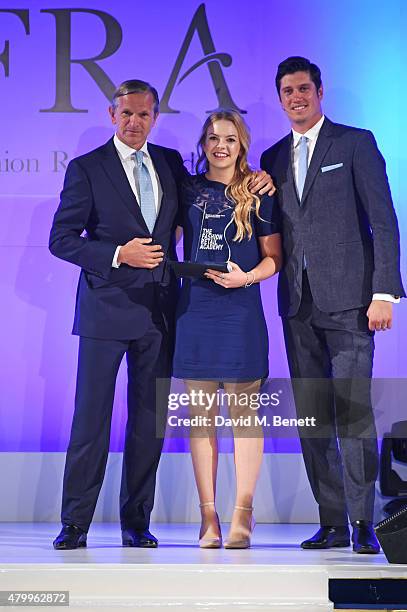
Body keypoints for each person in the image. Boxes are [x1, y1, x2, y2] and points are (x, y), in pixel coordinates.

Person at [50, 81, 274, 550]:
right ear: (113, 114)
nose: (135, 122)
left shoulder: (171, 164)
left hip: (161, 315)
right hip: (105, 313)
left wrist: (260, 177)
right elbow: (62, 239)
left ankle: (136, 521)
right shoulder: (86, 168)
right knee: (91, 420)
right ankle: (75, 522)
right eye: (127, 113)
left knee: (147, 422)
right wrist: (117, 253)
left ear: (154, 117)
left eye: (144, 115)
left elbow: (223, 182)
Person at [260, 57, 405, 553]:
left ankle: (364, 524)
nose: (295, 97)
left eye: (303, 88)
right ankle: (333, 521)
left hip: (350, 303)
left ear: (319, 92)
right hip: (297, 306)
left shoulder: (354, 143)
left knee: (353, 414)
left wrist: (384, 292)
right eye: (287, 90)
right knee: (314, 417)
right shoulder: (272, 156)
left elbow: (383, 220)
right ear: (279, 98)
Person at [173, 110, 282, 548]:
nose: (221, 146)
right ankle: (208, 518)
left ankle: (243, 513)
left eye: (231, 139)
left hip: (240, 314)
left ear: (242, 145)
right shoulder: (187, 188)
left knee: (244, 417)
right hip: (195, 313)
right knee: (201, 419)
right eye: (214, 138)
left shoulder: (259, 191)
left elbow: (274, 258)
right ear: (204, 144)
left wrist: (246, 277)